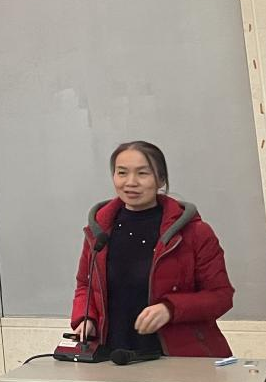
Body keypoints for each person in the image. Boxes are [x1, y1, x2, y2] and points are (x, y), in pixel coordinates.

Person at [70, 141, 234, 357]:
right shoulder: (99, 230)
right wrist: (86, 318)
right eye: (122, 173)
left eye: (142, 173)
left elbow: (221, 296)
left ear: (161, 179)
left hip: (179, 358)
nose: (131, 182)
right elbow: (86, 285)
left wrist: (170, 309)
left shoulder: (194, 232)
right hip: (112, 357)